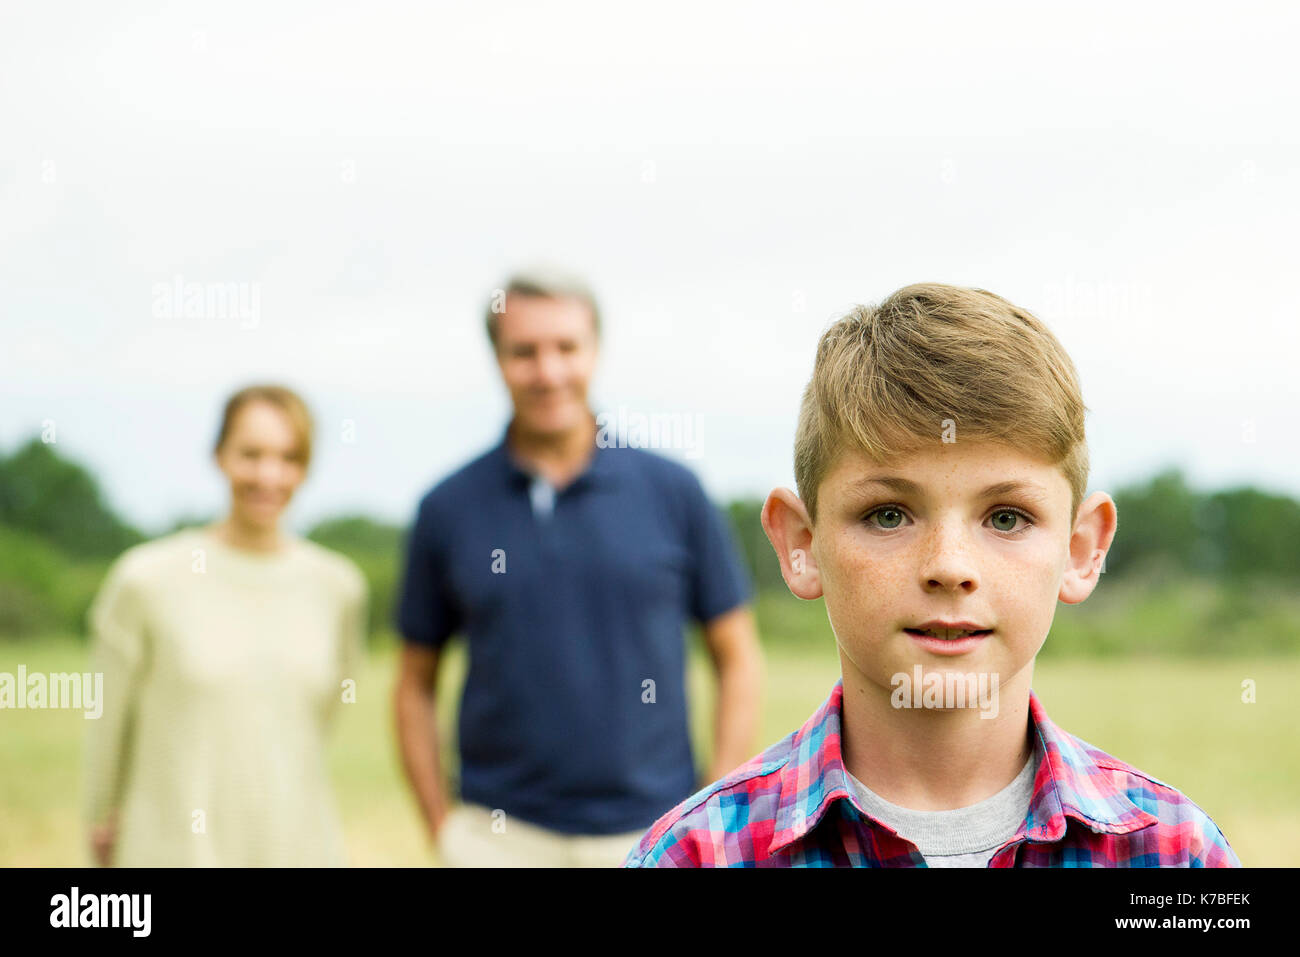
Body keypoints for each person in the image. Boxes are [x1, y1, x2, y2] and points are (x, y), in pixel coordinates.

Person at [624, 282, 1242, 867]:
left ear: (1081, 551)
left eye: (1006, 517)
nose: (949, 566)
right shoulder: (698, 854)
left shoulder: (1173, 852)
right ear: (801, 544)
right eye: (887, 514)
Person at [394, 265, 763, 867]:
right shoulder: (448, 507)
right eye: (524, 352)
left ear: (595, 350)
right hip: (499, 838)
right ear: (496, 358)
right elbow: (413, 683)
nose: (548, 372)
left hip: (655, 833)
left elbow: (738, 655)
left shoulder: (672, 491)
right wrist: (444, 830)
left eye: (566, 348)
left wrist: (711, 811)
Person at [82, 384, 368, 866]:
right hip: (172, 851)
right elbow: (106, 727)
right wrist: (99, 820)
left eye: (288, 457)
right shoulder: (146, 580)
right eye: (250, 454)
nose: (268, 475)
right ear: (219, 456)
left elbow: (315, 723)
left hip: (297, 849)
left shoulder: (338, 587)